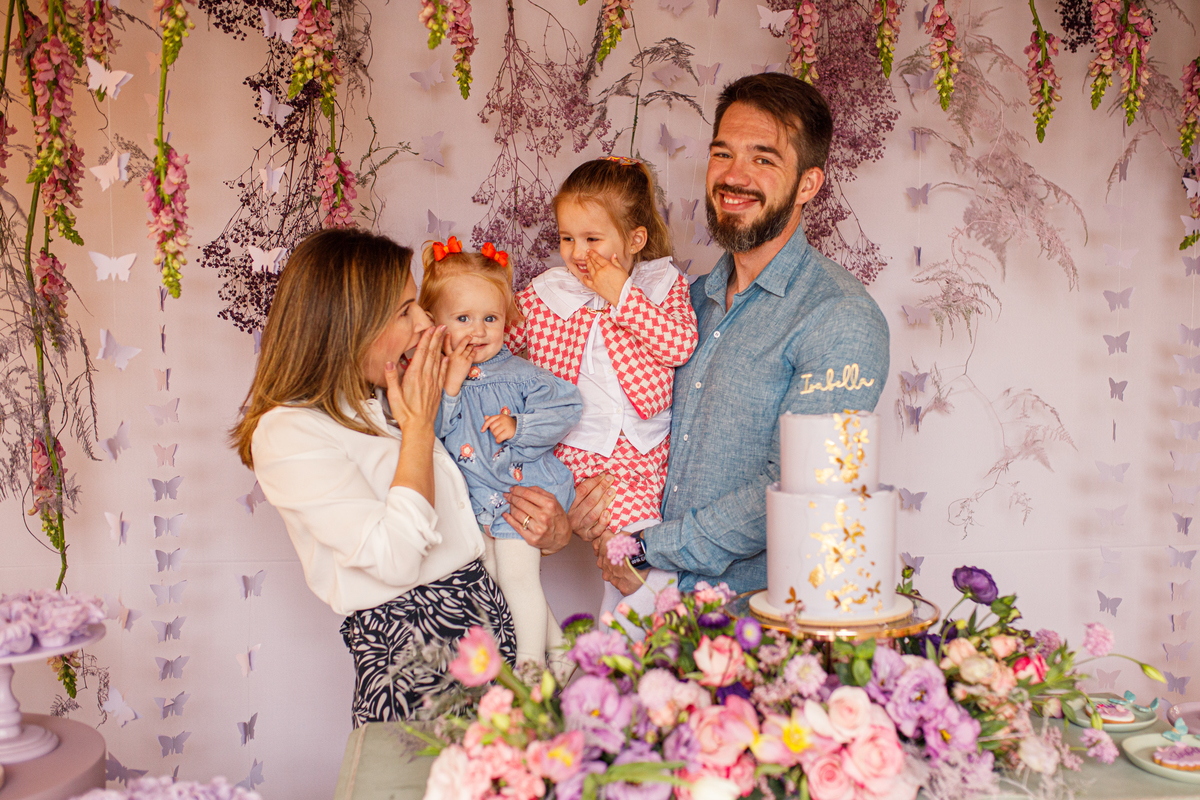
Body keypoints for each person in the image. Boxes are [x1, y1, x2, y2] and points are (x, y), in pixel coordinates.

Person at [230, 228, 570, 726]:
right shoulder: (289, 432)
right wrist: (418, 427)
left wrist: (551, 532)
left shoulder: (384, 400)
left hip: (487, 617)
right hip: (415, 648)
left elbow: (475, 502)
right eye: (405, 311)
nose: (425, 322)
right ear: (351, 325)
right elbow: (394, 556)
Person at [588, 73, 891, 596]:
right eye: (722, 153)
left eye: (763, 159)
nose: (734, 176)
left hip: (757, 630)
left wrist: (648, 546)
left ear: (808, 185)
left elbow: (795, 486)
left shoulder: (840, 318)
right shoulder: (683, 302)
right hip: (642, 606)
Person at [505, 157, 699, 616]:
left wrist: (621, 295)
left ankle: (620, 654)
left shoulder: (662, 285)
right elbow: (503, 341)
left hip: (641, 456)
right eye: (567, 238)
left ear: (635, 239)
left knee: (638, 563)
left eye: (592, 239)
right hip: (572, 454)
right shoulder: (547, 292)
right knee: (612, 557)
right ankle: (613, 658)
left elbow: (679, 345)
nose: (577, 252)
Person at [418, 236, 582, 668]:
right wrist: (451, 381)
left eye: (490, 318)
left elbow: (570, 406)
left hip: (519, 494)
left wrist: (520, 426)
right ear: (434, 321)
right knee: (498, 579)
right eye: (463, 318)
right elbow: (429, 435)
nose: (478, 331)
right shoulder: (435, 382)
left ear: (507, 320)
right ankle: (562, 655)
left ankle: (530, 669)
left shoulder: (520, 374)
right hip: (477, 505)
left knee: (517, 577)